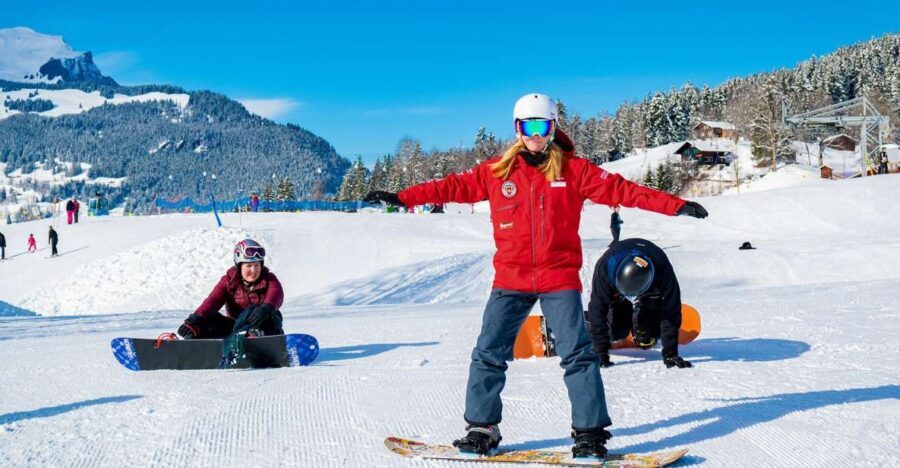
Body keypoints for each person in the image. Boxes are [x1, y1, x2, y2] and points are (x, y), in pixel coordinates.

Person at [363, 93, 708, 459]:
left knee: (578, 353)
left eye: (542, 127)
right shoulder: (497, 171)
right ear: (517, 129)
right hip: (510, 279)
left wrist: (677, 205)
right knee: (488, 353)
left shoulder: (574, 170)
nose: (535, 135)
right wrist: (402, 198)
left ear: (553, 127)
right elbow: (448, 187)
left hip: (558, 278)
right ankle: (482, 428)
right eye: (528, 127)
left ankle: (590, 434)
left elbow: (624, 190)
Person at [586, 238, 693, 370]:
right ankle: (583, 322)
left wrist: (670, 353)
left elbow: (671, 310)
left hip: (648, 288)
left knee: (650, 334)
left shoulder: (663, 272)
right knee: (615, 332)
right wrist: (600, 350)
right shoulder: (605, 270)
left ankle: (638, 318)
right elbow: (598, 309)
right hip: (617, 279)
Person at [176, 239, 285, 339]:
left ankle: (256, 338)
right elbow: (212, 301)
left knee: (267, 313)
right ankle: (194, 345)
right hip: (236, 328)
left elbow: (276, 293)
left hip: (263, 327)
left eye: (257, 265)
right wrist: (195, 319)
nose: (253, 270)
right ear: (239, 266)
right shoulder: (229, 281)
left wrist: (266, 308)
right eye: (249, 266)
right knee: (208, 318)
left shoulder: (269, 279)